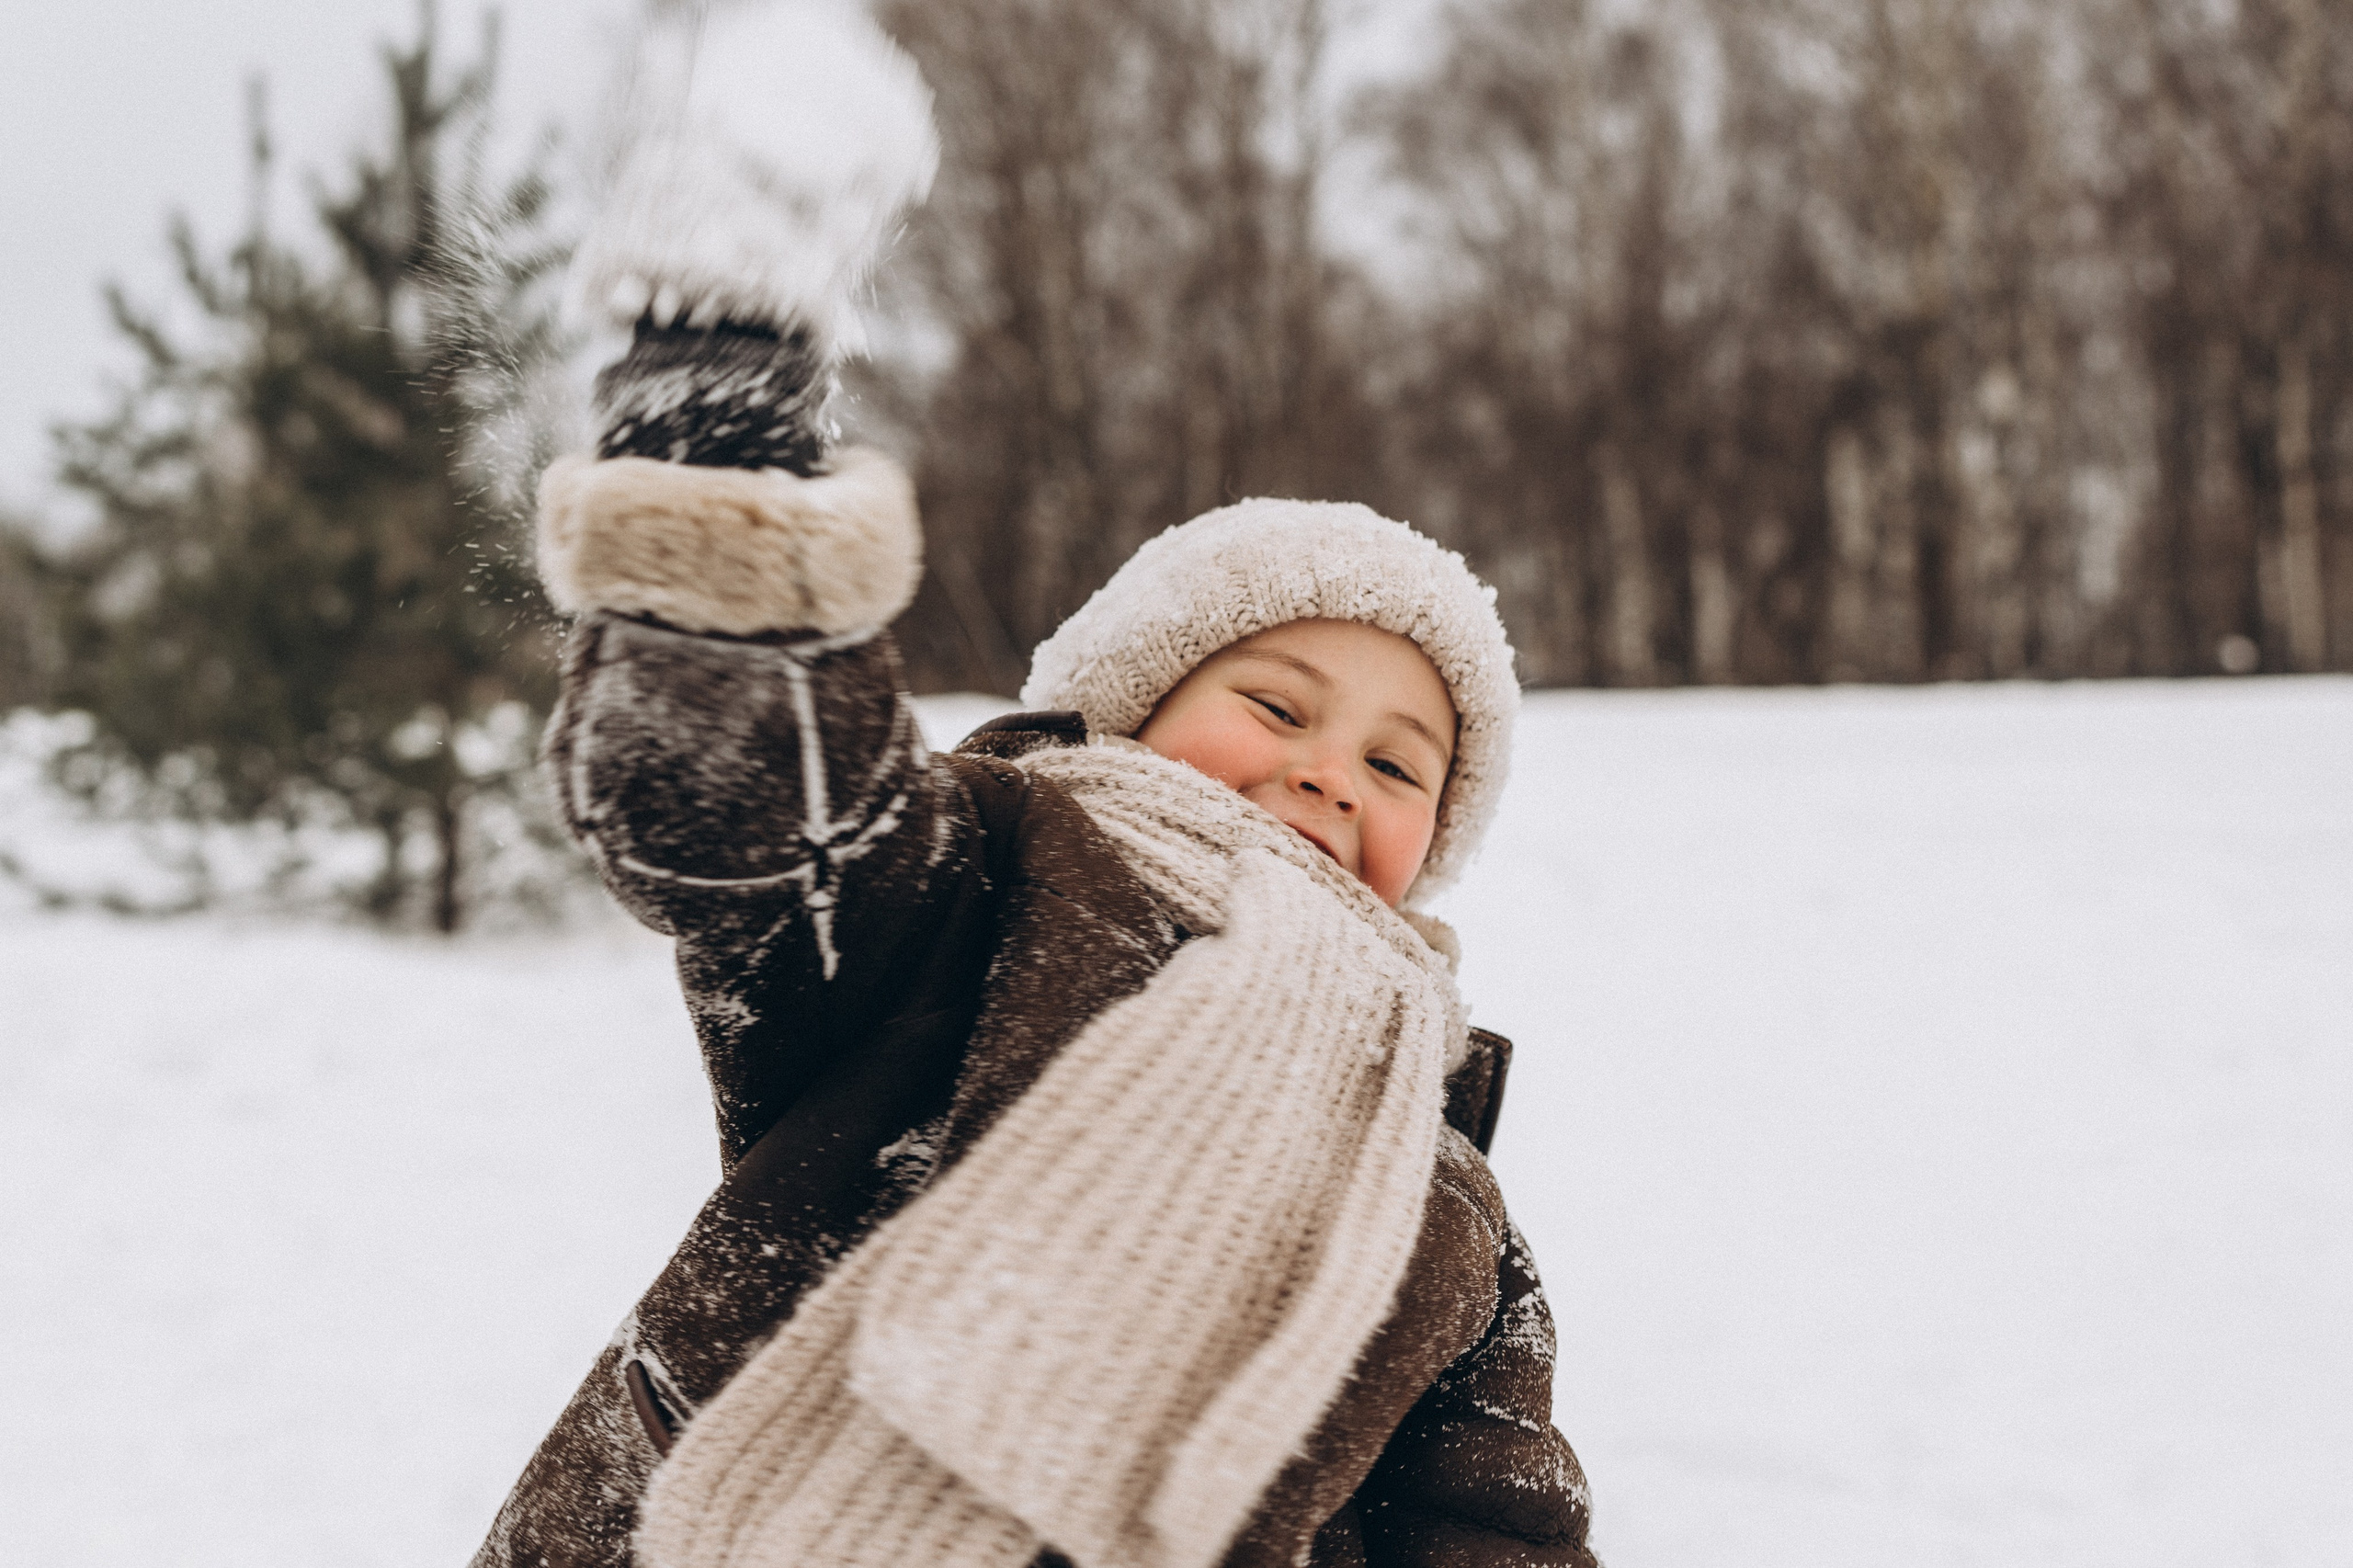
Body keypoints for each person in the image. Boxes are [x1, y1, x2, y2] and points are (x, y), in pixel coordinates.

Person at [472, 10, 1597, 1567]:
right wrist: (721, 413)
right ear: (1126, 715)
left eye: (1402, 761)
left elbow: (1488, 1526)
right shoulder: (976, 890)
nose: (1330, 770)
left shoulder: (1436, 1169)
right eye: (1276, 700)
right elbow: (745, 802)